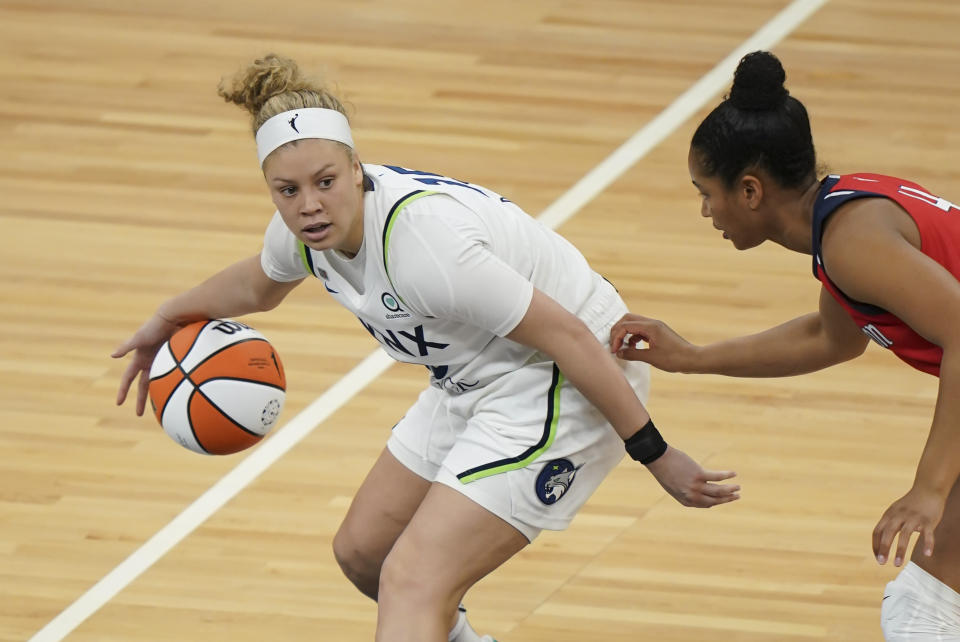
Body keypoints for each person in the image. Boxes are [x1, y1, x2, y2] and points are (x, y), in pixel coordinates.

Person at [112, 53, 740, 642]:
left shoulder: (425, 248)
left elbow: (568, 336)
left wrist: (656, 455)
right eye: (287, 190)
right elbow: (257, 282)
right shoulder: (304, 231)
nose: (308, 206)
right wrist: (166, 317)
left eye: (326, 181)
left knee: (413, 580)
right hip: (473, 375)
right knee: (365, 555)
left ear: (359, 168)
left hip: (562, 377)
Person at [610, 50, 960, 641]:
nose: (705, 211)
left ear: (749, 191)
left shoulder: (853, 240)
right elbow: (830, 337)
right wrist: (693, 357)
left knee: (924, 608)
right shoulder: (844, 220)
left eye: (705, 193)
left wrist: (929, 487)